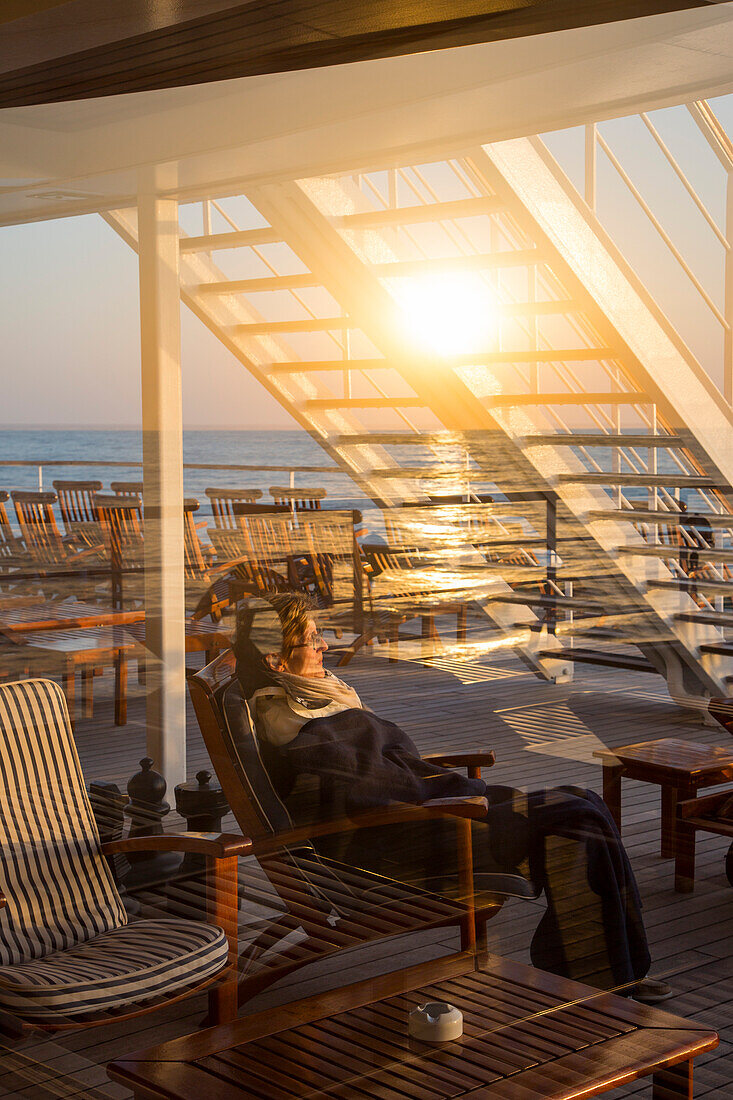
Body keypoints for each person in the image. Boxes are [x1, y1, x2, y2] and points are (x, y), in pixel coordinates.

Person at [234, 594, 672, 1003]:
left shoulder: (311, 699)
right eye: (311, 639)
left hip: (427, 816)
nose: (324, 646)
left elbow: (380, 768)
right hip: (408, 843)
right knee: (576, 817)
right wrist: (445, 793)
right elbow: (366, 793)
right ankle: (605, 980)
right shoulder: (288, 719)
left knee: (583, 799)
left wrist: (435, 783)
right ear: (275, 658)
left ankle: (616, 971)